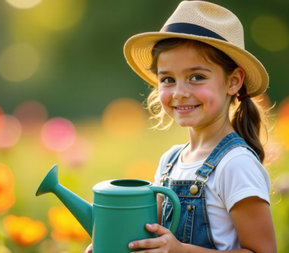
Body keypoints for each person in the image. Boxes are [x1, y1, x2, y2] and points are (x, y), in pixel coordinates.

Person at [85, 1, 276, 252]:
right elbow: (148, 236)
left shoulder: (236, 164)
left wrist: (180, 250)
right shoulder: (170, 161)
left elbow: (264, 250)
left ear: (234, 81)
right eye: (167, 79)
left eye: (196, 77)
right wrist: (112, 244)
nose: (179, 92)